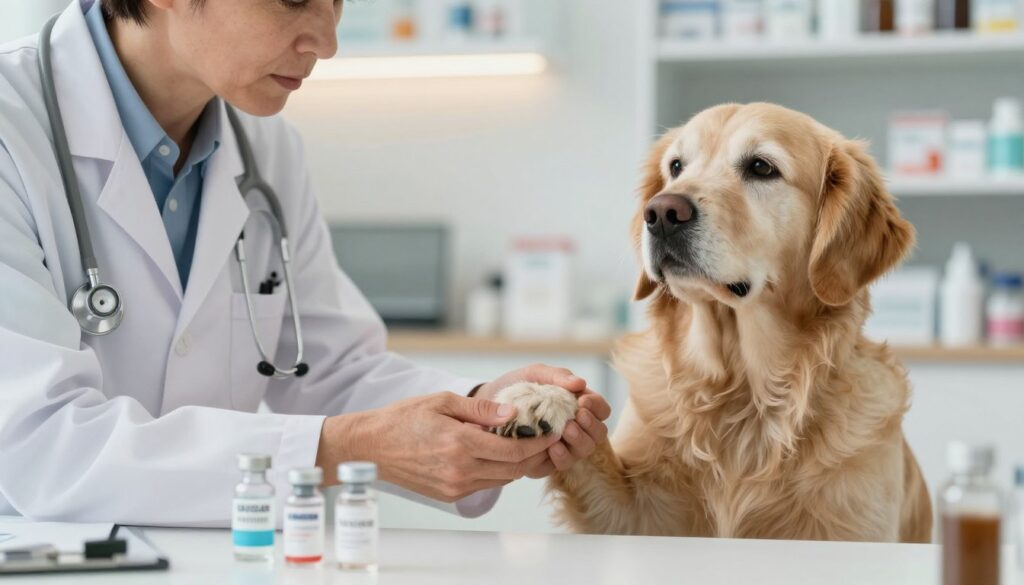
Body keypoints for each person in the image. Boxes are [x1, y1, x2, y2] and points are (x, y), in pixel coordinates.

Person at [0, 0, 610, 525]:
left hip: (225, 558)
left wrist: (485, 408)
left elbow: (333, 371)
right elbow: (42, 444)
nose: (328, 40)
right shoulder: (13, 129)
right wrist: (332, 450)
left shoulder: (265, 150)